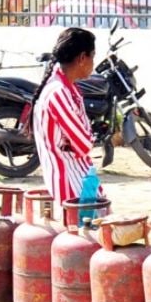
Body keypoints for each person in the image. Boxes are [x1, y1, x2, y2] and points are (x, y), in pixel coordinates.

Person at [32, 27, 98, 203]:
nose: (94, 63)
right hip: (68, 182)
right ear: (83, 58)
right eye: (93, 56)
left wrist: (82, 140)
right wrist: (83, 140)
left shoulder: (70, 89)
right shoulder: (58, 93)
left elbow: (83, 139)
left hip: (81, 173)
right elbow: (84, 144)